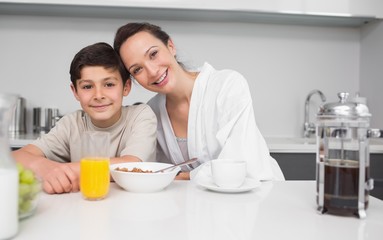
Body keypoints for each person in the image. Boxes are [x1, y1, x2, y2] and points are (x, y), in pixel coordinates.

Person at [113, 22, 284, 181]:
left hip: (262, 195)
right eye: (137, 69)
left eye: (153, 54)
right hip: (202, 205)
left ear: (170, 46)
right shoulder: (152, 112)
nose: (152, 71)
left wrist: (184, 176)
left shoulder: (227, 85)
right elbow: (156, 171)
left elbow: (239, 163)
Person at [12, 42, 157, 194]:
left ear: (126, 87)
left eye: (109, 84)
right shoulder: (71, 124)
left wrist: (63, 170)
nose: (99, 95)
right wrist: (43, 167)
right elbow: (15, 157)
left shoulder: (141, 115)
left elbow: (130, 164)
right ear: (75, 91)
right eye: (87, 87)